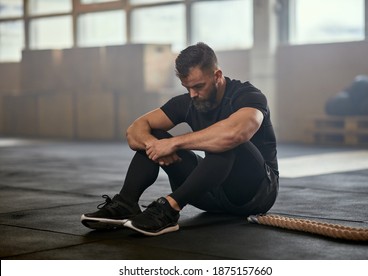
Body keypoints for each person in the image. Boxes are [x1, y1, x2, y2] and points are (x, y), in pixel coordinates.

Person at [81, 42, 279, 236]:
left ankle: (170, 208)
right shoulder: (188, 101)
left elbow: (235, 133)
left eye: (199, 86)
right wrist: (155, 146)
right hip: (210, 195)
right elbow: (134, 131)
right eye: (187, 87)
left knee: (227, 142)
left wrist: (173, 143)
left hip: (254, 194)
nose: (193, 94)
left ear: (217, 75)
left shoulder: (248, 96)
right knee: (154, 135)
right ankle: (126, 203)